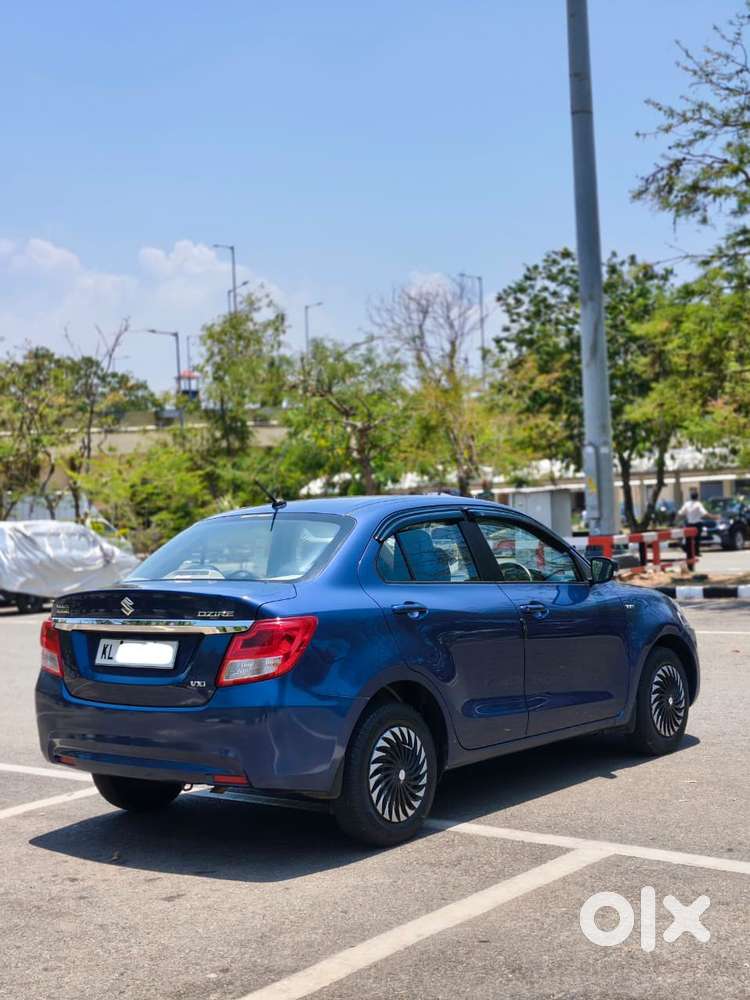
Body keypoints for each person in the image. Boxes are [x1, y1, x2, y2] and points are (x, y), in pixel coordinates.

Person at [678, 488, 709, 557]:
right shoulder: (698, 504)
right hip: (697, 524)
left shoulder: (687, 504)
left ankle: (689, 552)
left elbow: (681, 513)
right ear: (697, 497)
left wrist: (679, 519)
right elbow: (704, 513)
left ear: (690, 497)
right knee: (697, 539)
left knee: (688, 539)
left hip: (689, 524)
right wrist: (713, 517)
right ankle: (696, 552)